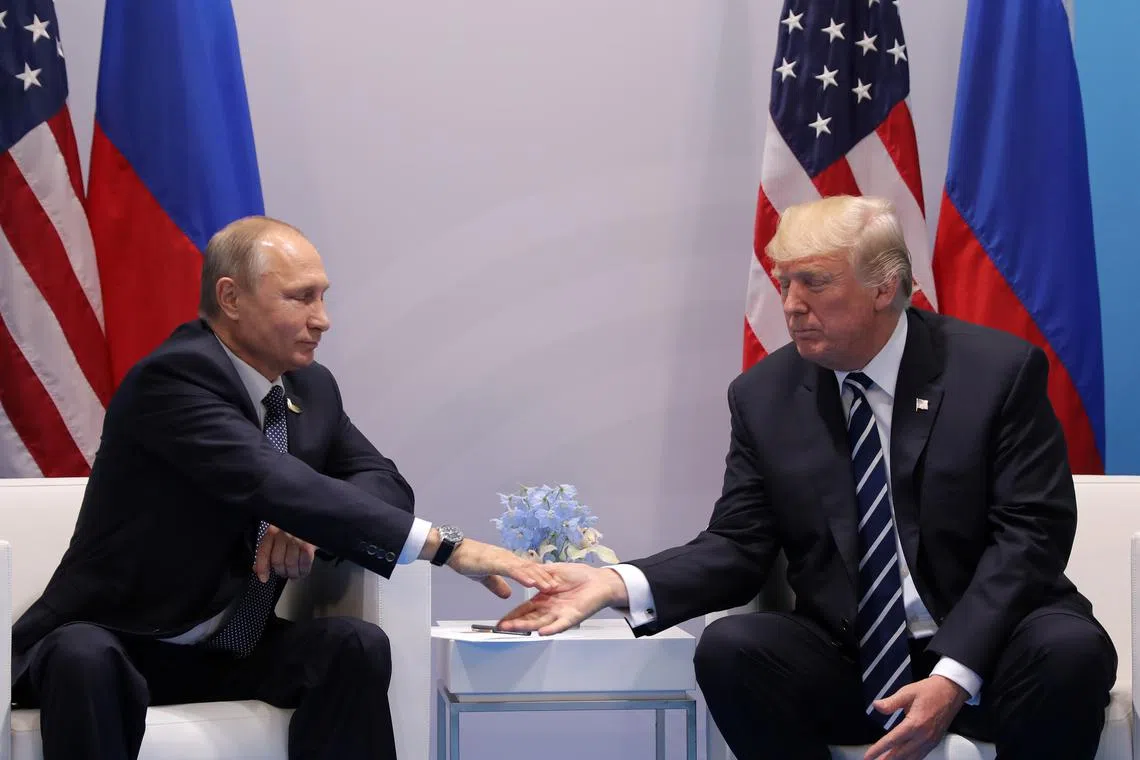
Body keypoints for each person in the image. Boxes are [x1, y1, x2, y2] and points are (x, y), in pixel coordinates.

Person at [499, 195, 1116, 759]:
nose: (791, 305)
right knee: (734, 650)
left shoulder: (995, 371)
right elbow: (738, 546)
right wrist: (613, 583)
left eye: (815, 283)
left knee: (1070, 653)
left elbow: (1030, 535)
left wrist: (953, 673)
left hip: (992, 646)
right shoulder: (765, 395)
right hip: (854, 656)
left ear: (885, 287)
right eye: (785, 281)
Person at [12, 215, 554, 760]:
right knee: (82, 655)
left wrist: (305, 522)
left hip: (230, 647)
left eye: (323, 297)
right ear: (231, 297)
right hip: (116, 640)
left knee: (352, 645)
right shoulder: (173, 379)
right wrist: (451, 547)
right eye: (300, 298)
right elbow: (266, 478)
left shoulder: (310, 388)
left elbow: (384, 483)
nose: (322, 320)